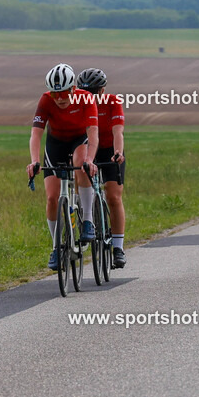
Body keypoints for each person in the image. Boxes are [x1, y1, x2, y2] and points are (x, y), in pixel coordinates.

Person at [26, 63, 99, 271]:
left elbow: (93, 132)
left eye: (63, 93)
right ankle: (57, 247)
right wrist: (34, 160)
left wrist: (91, 160)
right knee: (51, 198)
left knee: (81, 163)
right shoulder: (46, 100)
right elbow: (36, 133)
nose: (59, 98)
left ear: (73, 89)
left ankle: (87, 221)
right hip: (56, 143)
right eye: (55, 93)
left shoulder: (86, 98)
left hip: (79, 140)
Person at [77, 68, 126, 268]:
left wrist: (118, 152)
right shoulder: (78, 104)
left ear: (103, 90)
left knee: (113, 196)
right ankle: (84, 221)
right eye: (86, 92)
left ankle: (117, 247)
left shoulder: (113, 102)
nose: (90, 97)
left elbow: (118, 132)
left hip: (109, 150)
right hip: (88, 149)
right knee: (80, 181)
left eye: (94, 92)